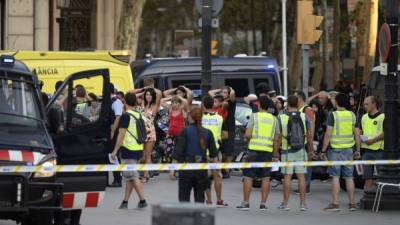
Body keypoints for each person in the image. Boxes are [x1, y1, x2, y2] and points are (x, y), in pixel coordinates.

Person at [237, 96, 280, 211]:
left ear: (259, 105)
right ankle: (263, 204)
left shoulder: (254, 117)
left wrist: (249, 140)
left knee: (248, 176)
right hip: (267, 151)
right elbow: (276, 139)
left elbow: (247, 134)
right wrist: (275, 154)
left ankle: (246, 203)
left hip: (253, 150)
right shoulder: (274, 119)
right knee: (266, 177)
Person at [320, 93, 360, 211]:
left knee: (335, 176)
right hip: (349, 150)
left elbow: (328, 134)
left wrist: (323, 150)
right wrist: (357, 150)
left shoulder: (333, 115)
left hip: (335, 150)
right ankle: (352, 203)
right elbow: (357, 134)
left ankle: (335, 203)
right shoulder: (352, 115)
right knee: (349, 177)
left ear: (337, 102)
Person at [172, 107, 218, 203]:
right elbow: (214, 155)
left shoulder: (185, 131)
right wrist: (215, 171)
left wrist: (172, 169)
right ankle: (198, 217)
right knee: (200, 198)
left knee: (184, 199)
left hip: (186, 169)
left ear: (191, 117)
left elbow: (178, 151)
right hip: (201, 170)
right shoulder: (208, 133)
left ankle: (186, 217)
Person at [111, 92, 147, 209]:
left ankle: (143, 201)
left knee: (132, 176)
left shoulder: (126, 116)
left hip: (128, 149)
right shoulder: (138, 114)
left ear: (125, 102)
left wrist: (115, 150)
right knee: (130, 177)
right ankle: (125, 202)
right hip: (138, 148)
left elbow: (121, 135)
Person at [277, 95, 312, 211]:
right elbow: (309, 134)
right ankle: (303, 204)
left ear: (287, 104)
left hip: (287, 151)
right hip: (301, 150)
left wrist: (275, 153)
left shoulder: (281, 117)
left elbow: (277, 137)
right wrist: (311, 150)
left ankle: (285, 204)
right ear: (297, 104)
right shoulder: (303, 116)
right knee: (301, 177)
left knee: (287, 177)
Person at [202, 95, 228, 207]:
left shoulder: (200, 118)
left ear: (203, 105)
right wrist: (218, 137)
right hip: (215, 152)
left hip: (202, 152)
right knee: (217, 177)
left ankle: (208, 200)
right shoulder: (219, 118)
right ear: (213, 105)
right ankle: (219, 200)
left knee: (206, 178)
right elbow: (226, 135)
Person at [356, 96, 384, 190]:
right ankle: (366, 197)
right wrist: (361, 135)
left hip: (379, 150)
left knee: (382, 176)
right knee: (367, 177)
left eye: (367, 104)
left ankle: (381, 198)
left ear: (374, 104)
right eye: (364, 104)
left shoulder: (382, 117)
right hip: (366, 151)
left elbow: (386, 132)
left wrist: (373, 140)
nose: (364, 106)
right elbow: (363, 132)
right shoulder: (364, 117)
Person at [209, 86, 236, 179]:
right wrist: (220, 90)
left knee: (228, 152)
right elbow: (210, 93)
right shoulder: (218, 102)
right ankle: (220, 169)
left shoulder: (228, 103)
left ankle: (225, 170)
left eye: (225, 92)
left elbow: (231, 96)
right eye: (223, 92)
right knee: (221, 151)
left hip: (229, 128)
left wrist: (231, 89)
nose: (223, 94)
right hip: (219, 129)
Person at [161, 95, 188, 179]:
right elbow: (162, 101)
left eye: (176, 103)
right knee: (169, 153)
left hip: (181, 135)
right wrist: (171, 98)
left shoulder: (182, 110)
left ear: (179, 104)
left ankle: (174, 172)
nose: (174, 104)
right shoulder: (170, 109)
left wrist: (179, 97)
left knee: (178, 153)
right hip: (171, 135)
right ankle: (174, 170)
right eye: (173, 103)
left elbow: (186, 102)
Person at [294, 91, 316, 194]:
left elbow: (310, 129)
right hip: (301, 141)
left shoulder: (308, 110)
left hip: (306, 142)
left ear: (299, 98)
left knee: (306, 165)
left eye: (294, 97)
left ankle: (305, 187)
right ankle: (303, 186)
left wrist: (311, 147)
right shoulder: (300, 110)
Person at [142, 87, 162, 181]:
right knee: (143, 155)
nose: (148, 96)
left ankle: (146, 175)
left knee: (148, 155)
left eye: (150, 94)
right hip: (142, 133)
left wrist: (150, 88)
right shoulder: (143, 105)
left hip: (150, 132)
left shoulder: (154, 106)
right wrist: (144, 89)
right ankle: (147, 172)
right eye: (147, 94)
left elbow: (159, 93)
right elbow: (131, 94)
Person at [109, 83, 124, 187]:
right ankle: (116, 178)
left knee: (114, 154)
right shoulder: (111, 101)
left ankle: (118, 179)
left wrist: (113, 131)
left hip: (116, 130)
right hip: (113, 130)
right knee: (112, 155)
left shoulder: (116, 102)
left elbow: (118, 117)